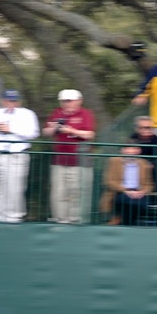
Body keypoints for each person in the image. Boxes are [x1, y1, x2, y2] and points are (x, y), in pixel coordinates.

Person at [0, 90, 39, 223]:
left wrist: (11, 129)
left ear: (19, 101)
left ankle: (12, 218)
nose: (11, 103)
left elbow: (33, 133)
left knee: (14, 188)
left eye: (14, 100)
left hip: (16, 155)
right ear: (2, 100)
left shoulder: (27, 114)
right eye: (9, 100)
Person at [42, 88, 96, 224]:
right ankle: (59, 220)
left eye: (69, 101)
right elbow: (45, 132)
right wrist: (54, 128)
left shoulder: (85, 114)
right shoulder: (56, 113)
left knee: (77, 193)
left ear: (79, 101)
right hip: (59, 160)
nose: (66, 104)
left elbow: (90, 134)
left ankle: (76, 221)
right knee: (58, 192)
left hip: (80, 161)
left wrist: (71, 130)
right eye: (64, 101)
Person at [101, 139, 155, 226]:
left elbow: (150, 184)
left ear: (138, 151)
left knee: (142, 204)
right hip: (120, 192)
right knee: (124, 200)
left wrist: (143, 192)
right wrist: (125, 190)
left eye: (134, 149)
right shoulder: (114, 161)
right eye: (128, 149)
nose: (131, 151)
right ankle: (125, 223)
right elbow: (109, 181)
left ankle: (122, 222)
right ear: (123, 150)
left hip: (138, 192)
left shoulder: (144, 163)